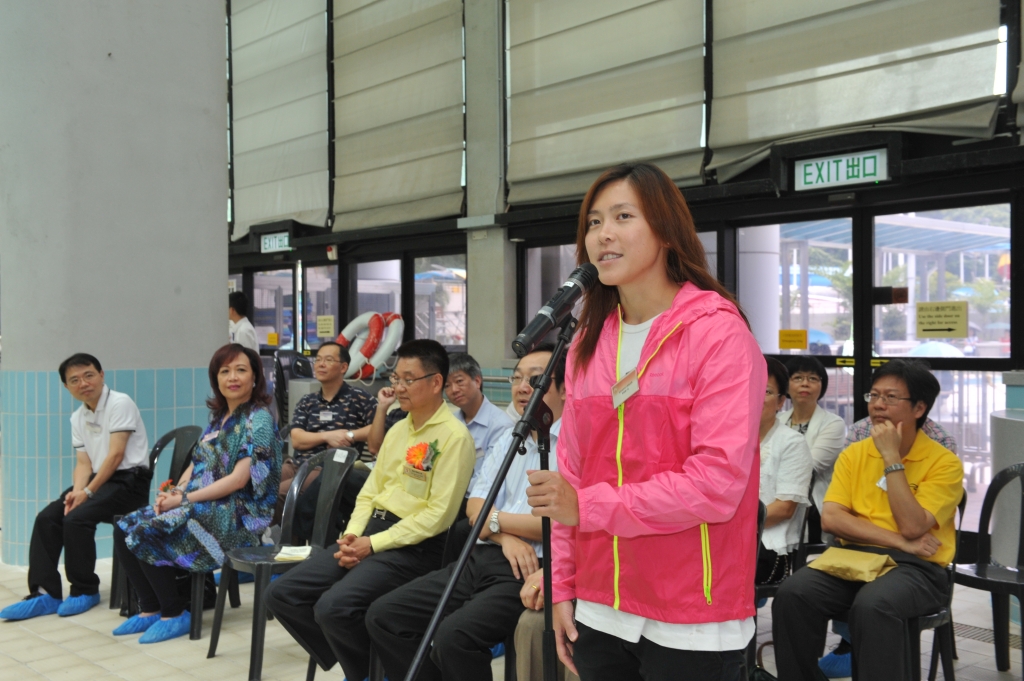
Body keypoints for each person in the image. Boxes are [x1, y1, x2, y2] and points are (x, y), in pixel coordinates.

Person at [526, 162, 764, 681]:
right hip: (599, 606)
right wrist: (563, 584)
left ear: (666, 231)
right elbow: (569, 477)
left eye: (622, 217)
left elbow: (717, 483)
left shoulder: (718, 335)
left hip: (691, 614)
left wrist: (586, 506)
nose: (603, 234)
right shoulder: (587, 345)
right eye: (593, 222)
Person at [263, 339, 475, 681]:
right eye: (396, 378)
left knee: (333, 607)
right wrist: (352, 536)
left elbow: (439, 515)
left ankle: (368, 671)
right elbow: (370, 492)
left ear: (436, 382)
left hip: (415, 546)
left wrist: (372, 545)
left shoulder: (454, 437)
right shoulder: (399, 429)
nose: (399, 387)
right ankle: (368, 666)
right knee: (282, 594)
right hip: (369, 533)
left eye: (409, 379)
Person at [366, 345, 566, 681]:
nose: (521, 388)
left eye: (535, 380)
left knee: (453, 639)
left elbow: (557, 522)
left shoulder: (577, 444)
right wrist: (504, 537)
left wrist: (496, 523)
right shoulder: (510, 438)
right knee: (384, 615)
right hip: (485, 555)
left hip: (532, 567)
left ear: (564, 389)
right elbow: (474, 508)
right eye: (516, 378)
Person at [772, 359, 964, 681]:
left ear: (919, 408)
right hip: (854, 557)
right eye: (874, 396)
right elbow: (832, 519)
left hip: (917, 568)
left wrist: (891, 457)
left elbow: (913, 526)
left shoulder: (944, 462)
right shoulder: (855, 453)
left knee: (874, 604)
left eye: (890, 397)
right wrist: (900, 541)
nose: (878, 405)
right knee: (793, 593)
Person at [111, 343, 280, 642]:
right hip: (206, 503)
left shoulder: (259, 419)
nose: (232, 377)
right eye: (225, 371)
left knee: (152, 529)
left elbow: (239, 480)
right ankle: (149, 608)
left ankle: (174, 613)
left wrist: (184, 500)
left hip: (238, 515)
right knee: (124, 526)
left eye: (241, 370)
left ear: (255, 377)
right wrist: (174, 492)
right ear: (216, 379)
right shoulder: (219, 417)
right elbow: (196, 463)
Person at [0, 353, 151, 621]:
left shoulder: (120, 403)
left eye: (89, 375)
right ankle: (45, 593)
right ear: (66, 386)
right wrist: (77, 492)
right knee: (48, 518)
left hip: (130, 483)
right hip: (100, 481)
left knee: (77, 519)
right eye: (75, 380)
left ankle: (84, 590)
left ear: (101, 375)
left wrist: (88, 493)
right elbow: (83, 463)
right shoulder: (78, 417)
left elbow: (116, 455)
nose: (83, 383)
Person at [280, 342, 376, 524]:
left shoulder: (359, 398)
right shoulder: (307, 401)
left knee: (278, 496)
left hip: (327, 470)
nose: (321, 364)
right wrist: (328, 436)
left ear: (343, 367)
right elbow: (297, 439)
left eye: (328, 360)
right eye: (318, 360)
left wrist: (350, 435)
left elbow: (380, 427)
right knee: (258, 485)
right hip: (297, 464)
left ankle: (271, 538)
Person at [757, 357, 813, 585]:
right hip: (726, 537)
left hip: (769, 547)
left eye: (766, 391)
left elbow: (784, 509)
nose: (755, 395)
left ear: (781, 401)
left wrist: (737, 527)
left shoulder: (792, 443)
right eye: (749, 386)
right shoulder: (726, 438)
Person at [778, 356, 846, 513]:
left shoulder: (833, 424)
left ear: (822, 386)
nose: (805, 383)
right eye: (798, 378)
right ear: (786, 386)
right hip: (774, 498)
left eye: (812, 378)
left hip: (813, 505)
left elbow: (810, 467)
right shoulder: (776, 421)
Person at [447, 352, 514, 490]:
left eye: (459, 381)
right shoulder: (451, 421)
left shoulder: (501, 425)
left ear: (477, 381)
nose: (454, 390)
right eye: (447, 385)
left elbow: (490, 478)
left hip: (480, 496)